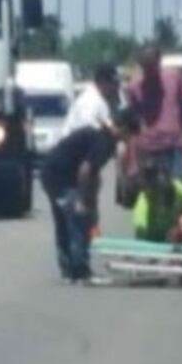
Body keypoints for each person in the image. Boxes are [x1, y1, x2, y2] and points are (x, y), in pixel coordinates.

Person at [41, 107, 137, 284]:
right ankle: (79, 270)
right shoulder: (104, 141)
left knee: (64, 221)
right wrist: (83, 201)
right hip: (61, 178)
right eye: (130, 134)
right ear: (123, 128)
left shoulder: (100, 137)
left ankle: (68, 270)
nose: (129, 139)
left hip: (52, 173)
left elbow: (93, 174)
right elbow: (85, 171)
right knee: (78, 219)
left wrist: (92, 201)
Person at [125, 44, 182, 177]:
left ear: (159, 61)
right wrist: (132, 161)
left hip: (173, 145)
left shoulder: (174, 78)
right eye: (145, 66)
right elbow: (132, 127)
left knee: (176, 188)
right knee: (150, 191)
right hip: (147, 147)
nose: (149, 70)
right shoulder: (134, 87)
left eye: (151, 65)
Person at [132, 159, 182, 243]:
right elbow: (141, 237)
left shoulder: (179, 191)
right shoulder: (141, 215)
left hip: (172, 238)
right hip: (149, 236)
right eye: (156, 188)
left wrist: (181, 224)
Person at [61, 64, 121, 137]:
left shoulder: (102, 99)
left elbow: (106, 122)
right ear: (103, 82)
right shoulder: (90, 101)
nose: (117, 87)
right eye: (114, 83)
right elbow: (87, 130)